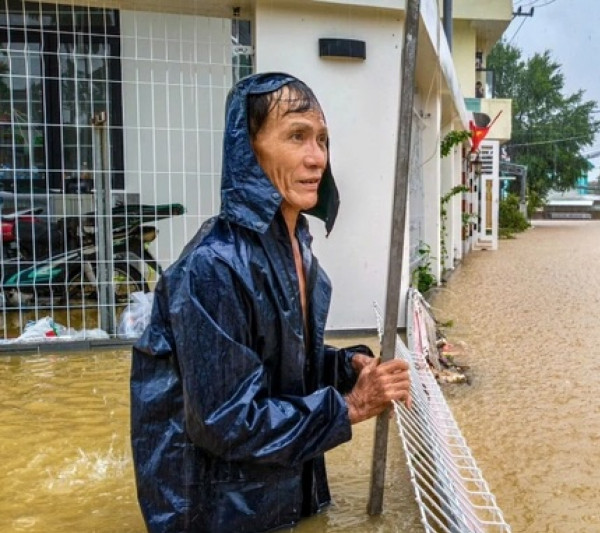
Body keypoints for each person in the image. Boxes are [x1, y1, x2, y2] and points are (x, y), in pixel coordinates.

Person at [130, 72, 411, 533]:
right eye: (297, 136)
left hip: (282, 496)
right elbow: (226, 420)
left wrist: (346, 366)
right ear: (249, 150)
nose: (316, 157)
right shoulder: (212, 267)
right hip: (215, 514)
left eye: (322, 139)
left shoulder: (296, 244)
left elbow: (273, 363)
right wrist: (351, 408)